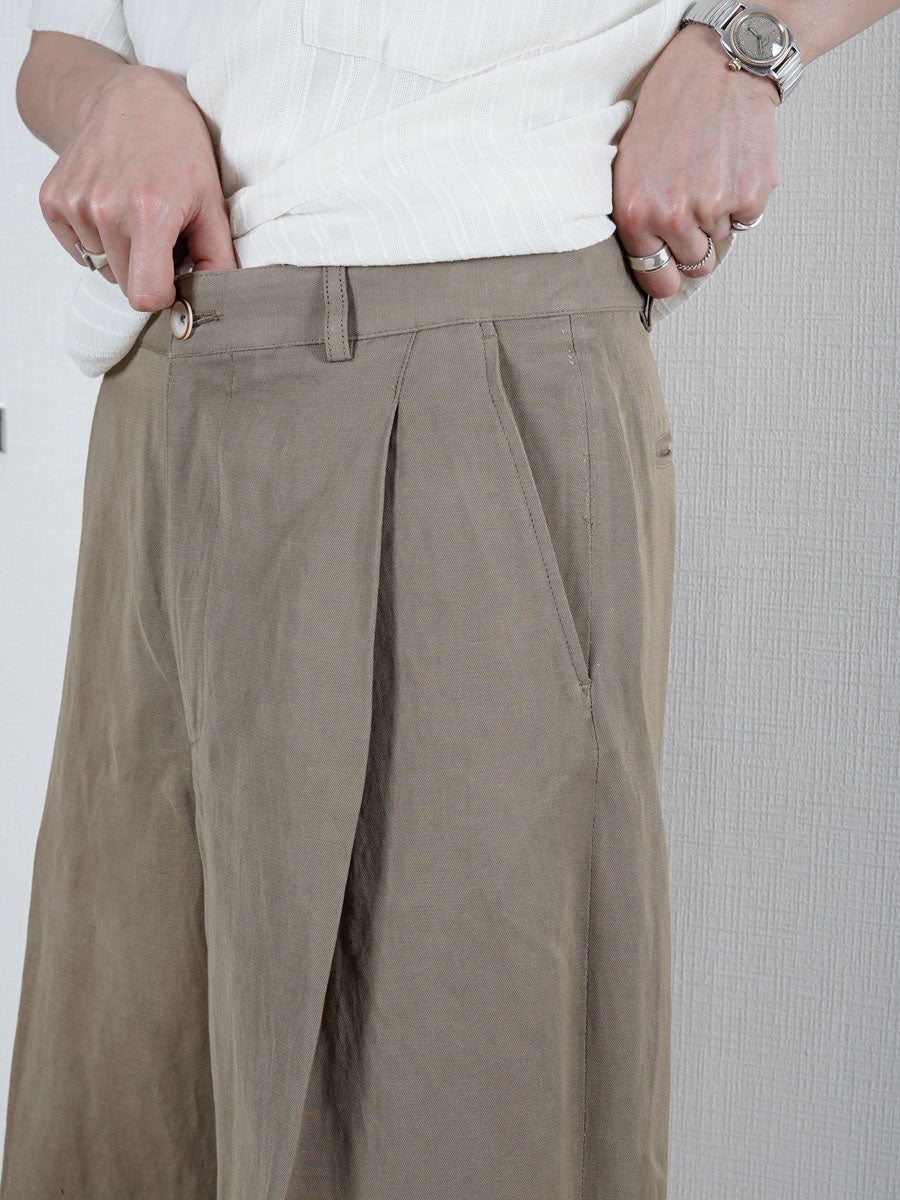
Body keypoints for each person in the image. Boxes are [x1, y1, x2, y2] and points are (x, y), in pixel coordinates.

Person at [2, 3, 896, 1199]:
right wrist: (111, 98)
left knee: (455, 1110)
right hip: (163, 389)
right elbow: (58, 42)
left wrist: (745, 47)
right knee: (134, 1100)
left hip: (464, 366)